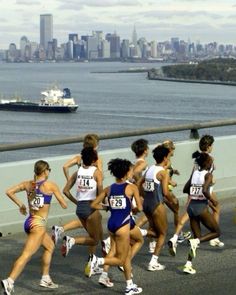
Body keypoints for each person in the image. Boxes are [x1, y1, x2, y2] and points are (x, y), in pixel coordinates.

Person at [1, 160, 67, 295]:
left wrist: (21, 204)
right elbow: (64, 204)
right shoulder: (50, 185)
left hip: (30, 221)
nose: (49, 172)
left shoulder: (27, 184)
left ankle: (45, 278)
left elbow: (9, 191)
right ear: (45, 171)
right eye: (49, 170)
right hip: (39, 225)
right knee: (26, 255)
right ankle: (10, 281)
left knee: (50, 247)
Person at [88, 158, 143, 295]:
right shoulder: (131, 188)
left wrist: (107, 207)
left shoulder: (109, 188)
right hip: (123, 225)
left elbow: (93, 205)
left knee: (133, 245)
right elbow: (140, 208)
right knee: (122, 259)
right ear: (125, 173)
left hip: (112, 224)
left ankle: (130, 285)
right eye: (130, 171)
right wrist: (133, 209)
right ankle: (97, 261)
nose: (132, 173)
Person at [168, 134, 223, 257]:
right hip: (204, 192)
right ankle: (212, 237)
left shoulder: (198, 158)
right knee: (215, 215)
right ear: (209, 146)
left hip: (194, 191)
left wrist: (192, 192)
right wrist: (209, 197)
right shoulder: (209, 159)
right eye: (212, 145)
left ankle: (178, 242)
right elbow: (207, 183)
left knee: (193, 225)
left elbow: (191, 179)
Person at [52, 133, 103, 246]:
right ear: (96, 145)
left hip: (81, 201)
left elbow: (65, 167)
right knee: (94, 239)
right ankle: (73, 241)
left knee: (95, 223)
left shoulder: (78, 162)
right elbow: (100, 181)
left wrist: (69, 179)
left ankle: (60, 230)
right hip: (91, 200)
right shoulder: (97, 161)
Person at [61, 147, 104, 276]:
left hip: (80, 208)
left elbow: (65, 191)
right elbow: (101, 193)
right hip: (92, 207)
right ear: (94, 159)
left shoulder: (77, 172)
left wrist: (76, 202)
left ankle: (92, 263)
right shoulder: (97, 172)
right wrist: (104, 205)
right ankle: (71, 240)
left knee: (93, 237)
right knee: (95, 240)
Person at [138, 145, 177, 271]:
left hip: (147, 204)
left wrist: (144, 196)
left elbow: (139, 183)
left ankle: (141, 232)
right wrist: (173, 201)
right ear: (165, 158)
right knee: (162, 233)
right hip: (156, 204)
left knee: (154, 229)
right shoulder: (163, 173)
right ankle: (153, 262)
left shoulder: (149, 168)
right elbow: (165, 192)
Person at [181, 152, 220, 274]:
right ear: (207, 163)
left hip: (191, 207)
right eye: (210, 162)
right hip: (200, 207)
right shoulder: (207, 175)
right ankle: (195, 241)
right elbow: (204, 189)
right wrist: (213, 201)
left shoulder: (194, 173)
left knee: (196, 238)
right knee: (216, 232)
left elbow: (185, 189)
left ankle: (188, 264)